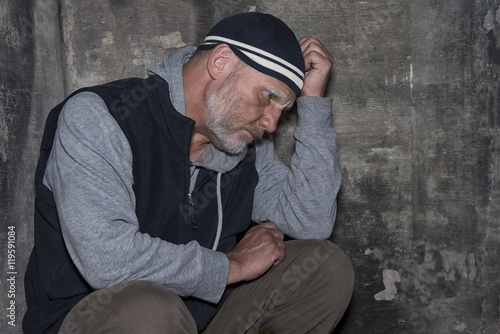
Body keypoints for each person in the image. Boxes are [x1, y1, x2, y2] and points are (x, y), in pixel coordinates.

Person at [23, 12, 354, 333]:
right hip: (102, 317)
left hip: (201, 316)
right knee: (150, 311)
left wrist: (313, 105)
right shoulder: (102, 116)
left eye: (282, 111)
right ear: (220, 62)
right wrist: (233, 265)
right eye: (269, 98)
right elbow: (108, 260)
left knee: (323, 268)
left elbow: (310, 222)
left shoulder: (245, 146)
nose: (271, 123)